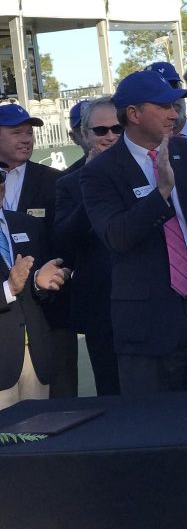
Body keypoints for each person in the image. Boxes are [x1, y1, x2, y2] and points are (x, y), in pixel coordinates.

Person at [80, 70, 187, 394]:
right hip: (148, 325)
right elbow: (117, 237)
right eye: (163, 106)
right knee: (155, 427)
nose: (173, 113)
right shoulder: (100, 172)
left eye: (174, 105)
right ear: (134, 114)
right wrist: (160, 193)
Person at [0, 102, 76, 398]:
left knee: (56, 409)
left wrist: (55, 275)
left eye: (29, 132)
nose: (26, 139)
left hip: (47, 319)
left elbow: (65, 246)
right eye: (15, 132)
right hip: (5, 331)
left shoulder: (54, 182)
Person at [53, 97, 123, 395]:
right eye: (101, 130)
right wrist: (89, 184)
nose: (110, 136)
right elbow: (65, 241)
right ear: (83, 134)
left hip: (153, 303)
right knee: (112, 392)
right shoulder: (68, 182)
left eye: (117, 128)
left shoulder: (149, 167)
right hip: (101, 307)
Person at [0, 165, 70, 410]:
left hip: (36, 358)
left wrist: (41, 283)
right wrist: (8, 289)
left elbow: (37, 290)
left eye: (0, 176)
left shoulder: (27, 225)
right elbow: (13, 287)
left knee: (41, 440)